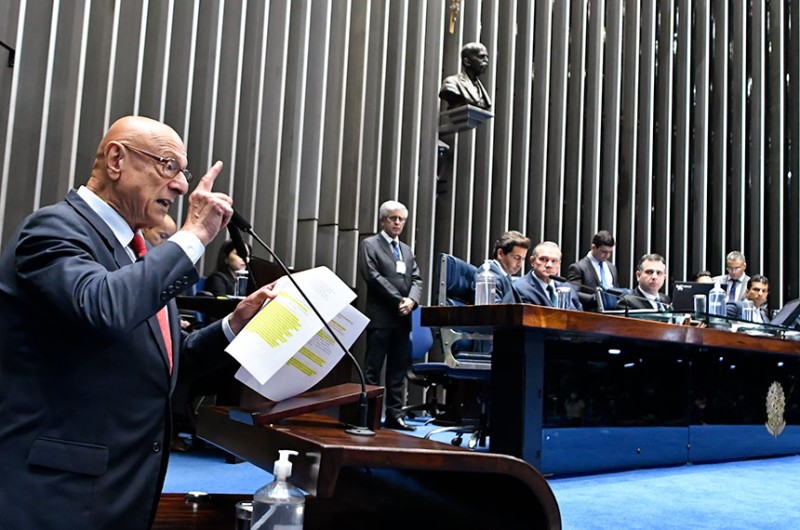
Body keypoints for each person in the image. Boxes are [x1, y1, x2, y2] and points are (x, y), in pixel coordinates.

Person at [0, 115, 277, 528]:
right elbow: (103, 308)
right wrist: (194, 235)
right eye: (169, 167)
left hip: (124, 489)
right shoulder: (53, 229)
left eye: (182, 173)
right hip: (57, 497)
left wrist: (232, 325)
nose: (182, 186)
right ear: (116, 160)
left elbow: (161, 361)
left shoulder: (137, 251)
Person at [358, 200, 423, 431]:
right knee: (373, 370)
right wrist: (399, 300)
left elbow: (417, 279)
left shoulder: (406, 250)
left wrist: (412, 300)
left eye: (401, 219)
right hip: (381, 317)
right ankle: (368, 418)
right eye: (392, 218)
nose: (397, 223)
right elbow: (372, 277)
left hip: (403, 319)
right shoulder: (370, 244)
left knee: (397, 371)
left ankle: (395, 416)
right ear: (383, 220)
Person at [515, 241, 582, 310]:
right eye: (543, 259)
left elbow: (581, 316)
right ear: (532, 261)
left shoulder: (567, 286)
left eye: (554, 261)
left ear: (559, 264)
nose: (549, 265)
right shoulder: (520, 288)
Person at [566, 230, 619, 311]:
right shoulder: (578, 268)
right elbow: (574, 293)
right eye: (604, 252)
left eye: (610, 252)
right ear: (593, 247)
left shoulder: (612, 267)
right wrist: (598, 299)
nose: (607, 255)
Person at [476, 230, 530, 303]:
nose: (520, 264)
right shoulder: (489, 275)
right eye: (517, 258)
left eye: (523, 259)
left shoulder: (505, 276)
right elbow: (493, 310)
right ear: (500, 254)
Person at [439, 42, 492, 110]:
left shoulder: (482, 91)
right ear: (466, 61)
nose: (486, 61)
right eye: (481, 57)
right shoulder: (451, 83)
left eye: (487, 57)